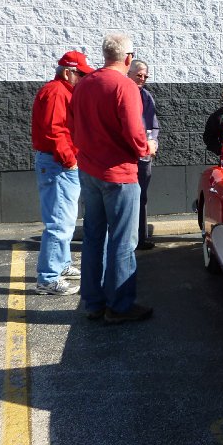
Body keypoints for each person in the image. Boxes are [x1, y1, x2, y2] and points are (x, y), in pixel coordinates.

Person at [70, 32, 157, 323]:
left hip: (89, 171)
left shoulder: (84, 84)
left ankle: (93, 303)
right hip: (119, 174)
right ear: (128, 58)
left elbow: (73, 126)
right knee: (122, 241)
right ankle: (119, 306)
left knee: (94, 237)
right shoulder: (125, 86)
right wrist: (147, 147)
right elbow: (135, 133)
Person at [31, 50, 94, 295]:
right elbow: (55, 131)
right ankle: (48, 278)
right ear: (68, 72)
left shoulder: (59, 90)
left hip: (58, 162)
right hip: (58, 163)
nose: (83, 79)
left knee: (64, 219)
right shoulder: (57, 92)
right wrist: (70, 160)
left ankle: (61, 265)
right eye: (81, 74)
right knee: (59, 222)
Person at [127, 59, 160, 250]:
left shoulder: (146, 96)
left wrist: (153, 142)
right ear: (129, 73)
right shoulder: (122, 93)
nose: (142, 79)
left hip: (144, 155)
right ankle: (127, 240)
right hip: (127, 156)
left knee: (141, 197)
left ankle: (140, 238)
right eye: (139, 75)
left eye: (145, 76)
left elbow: (153, 125)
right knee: (126, 198)